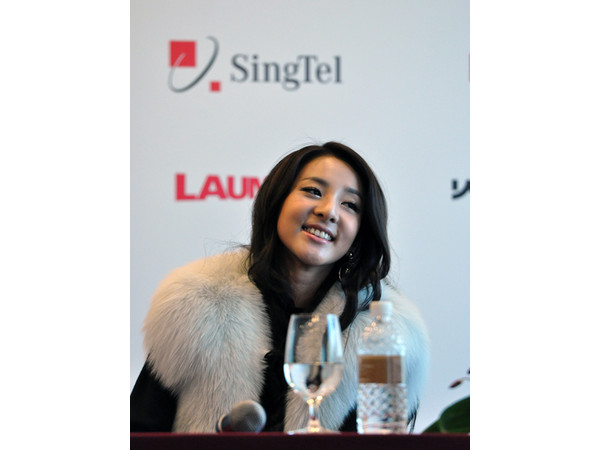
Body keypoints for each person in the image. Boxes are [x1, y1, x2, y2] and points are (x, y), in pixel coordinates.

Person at [130, 141, 429, 432]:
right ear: (277, 201)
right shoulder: (197, 306)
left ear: (361, 231)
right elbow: (139, 433)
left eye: (350, 205)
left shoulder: (385, 333)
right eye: (313, 191)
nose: (329, 211)